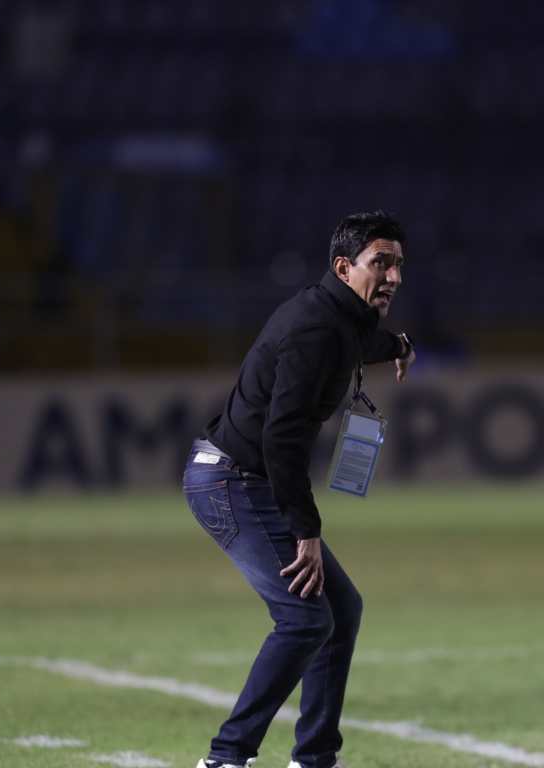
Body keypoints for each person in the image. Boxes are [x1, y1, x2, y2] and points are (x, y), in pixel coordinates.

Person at [183, 211, 417, 768]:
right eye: (380, 263)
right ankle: (225, 758)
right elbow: (281, 439)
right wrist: (306, 531)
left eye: (399, 265)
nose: (393, 277)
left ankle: (314, 759)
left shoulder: (338, 314)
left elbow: (358, 340)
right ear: (343, 266)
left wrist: (397, 346)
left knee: (342, 610)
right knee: (306, 619)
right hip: (231, 482)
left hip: (243, 479)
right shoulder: (317, 329)